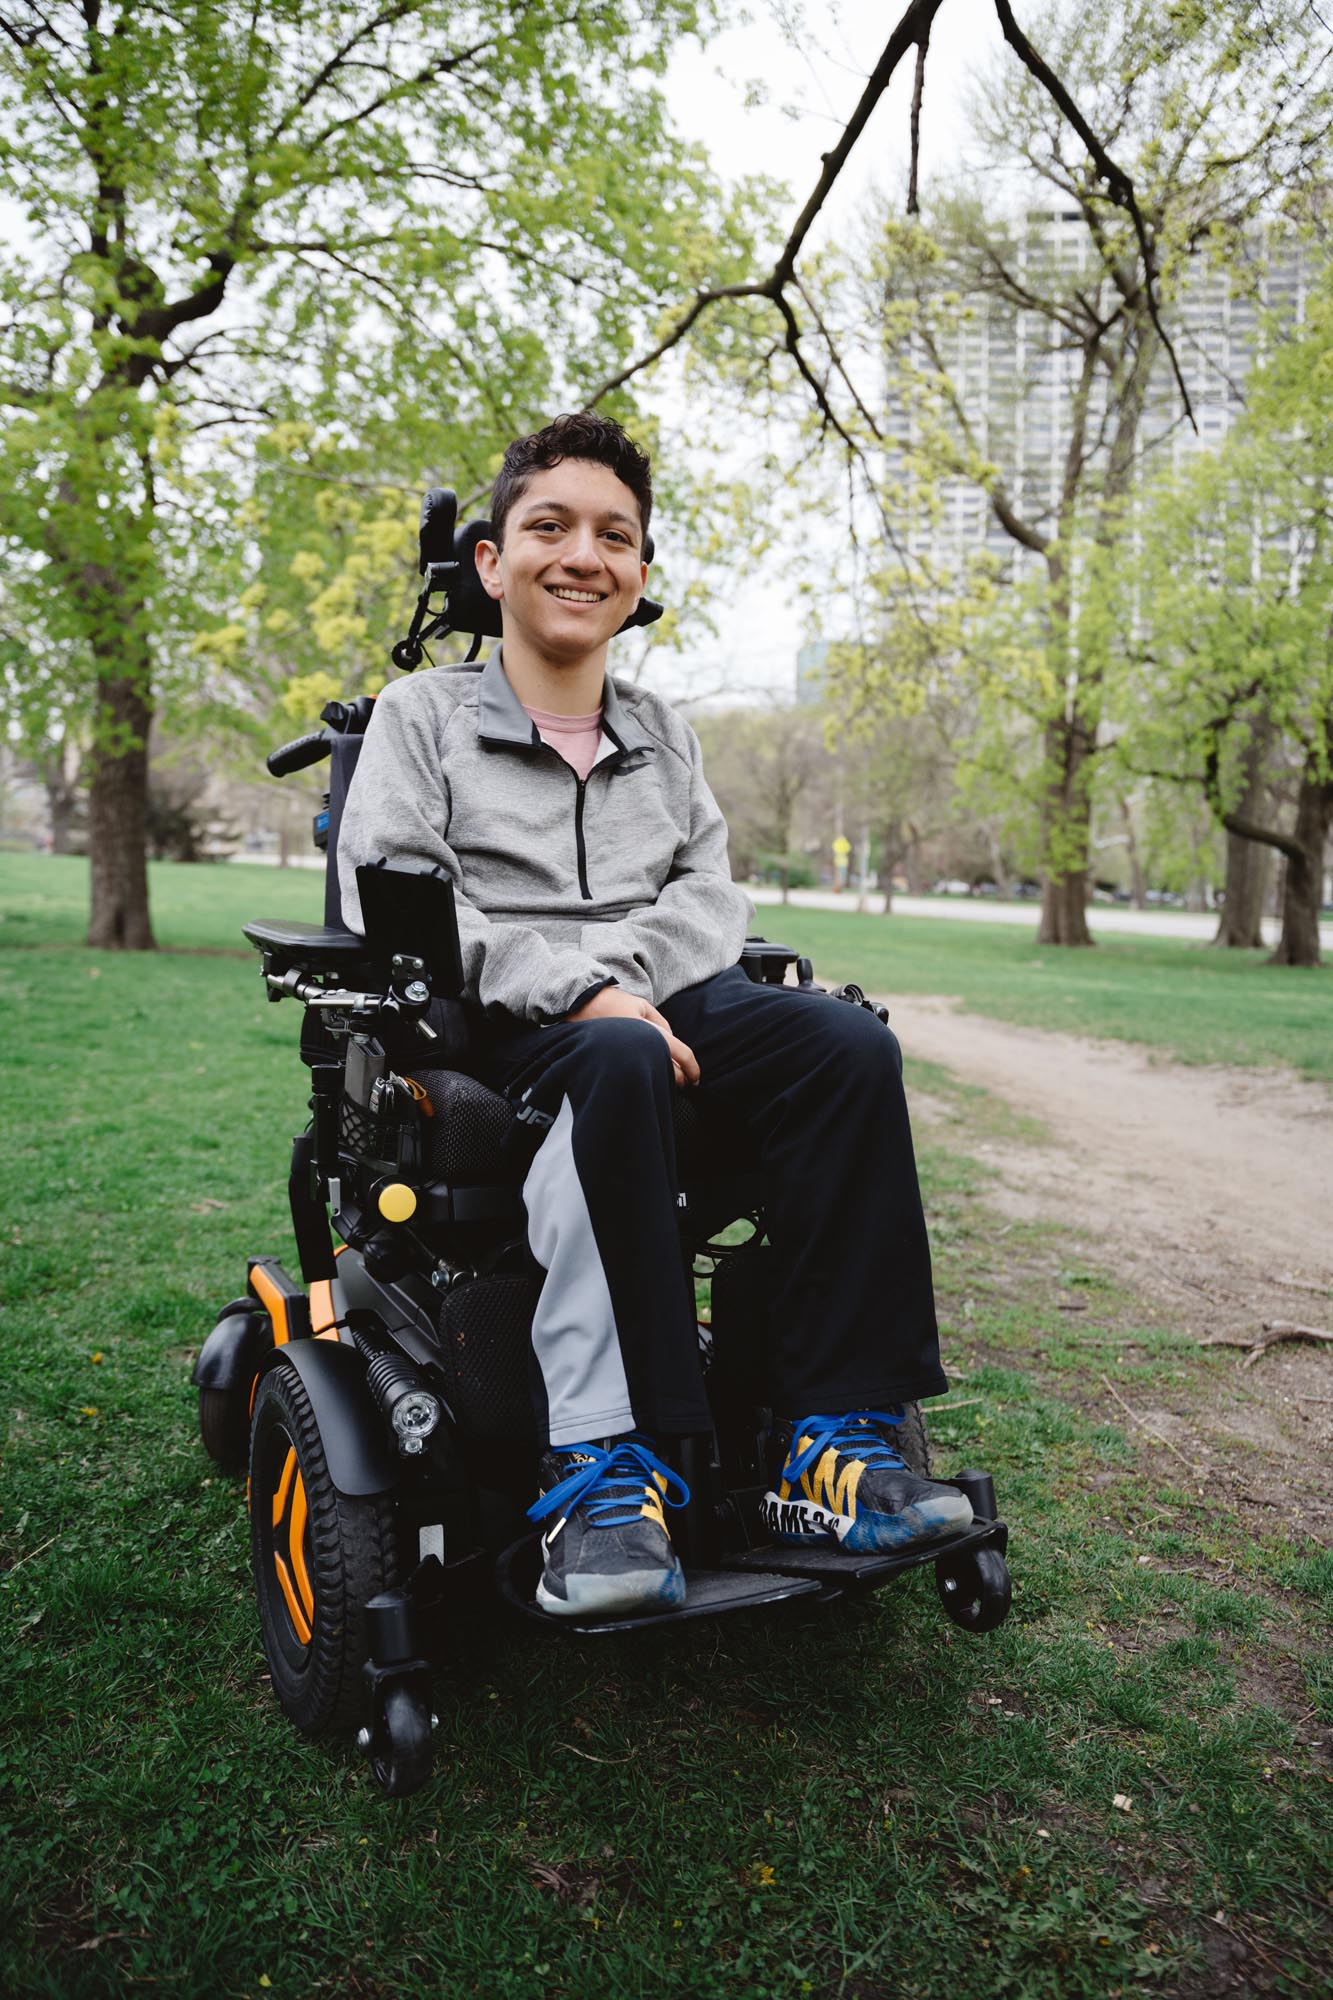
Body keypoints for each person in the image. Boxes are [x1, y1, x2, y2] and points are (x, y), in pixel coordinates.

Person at [337, 411, 970, 1619]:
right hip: (504, 1019)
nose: (584, 553)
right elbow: (411, 907)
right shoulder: (420, 721)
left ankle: (831, 1441)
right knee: (618, 1053)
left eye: (614, 535)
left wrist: (627, 973)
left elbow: (710, 895)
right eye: (550, 526)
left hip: (667, 997)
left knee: (846, 1047)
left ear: (637, 578)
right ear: (491, 562)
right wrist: (584, 988)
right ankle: (605, 1464)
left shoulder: (662, 733)